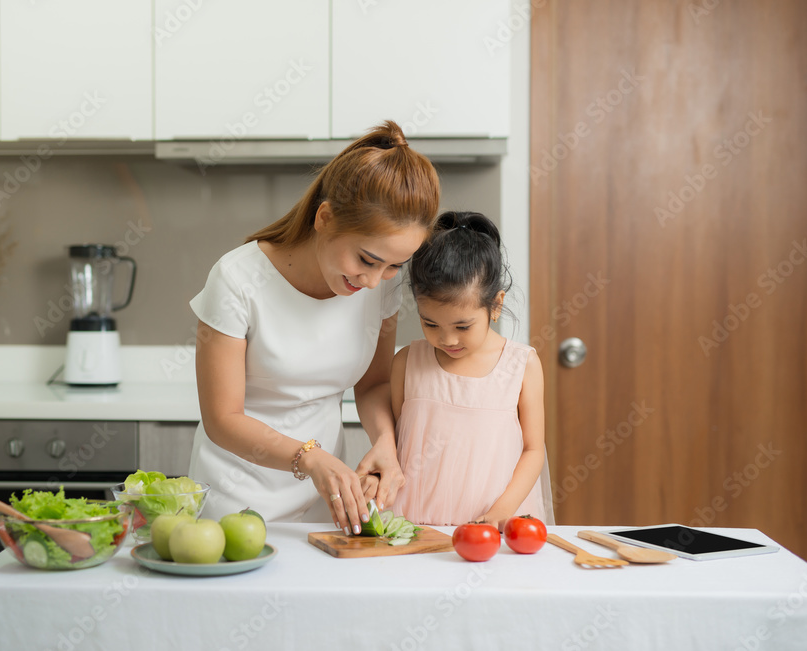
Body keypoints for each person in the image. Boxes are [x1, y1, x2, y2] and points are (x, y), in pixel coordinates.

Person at [188, 121, 442, 535]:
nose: (374, 281)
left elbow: (374, 383)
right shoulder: (237, 278)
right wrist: (309, 457)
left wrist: (385, 444)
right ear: (325, 218)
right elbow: (222, 418)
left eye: (395, 265)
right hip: (234, 501)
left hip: (327, 498)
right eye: (366, 259)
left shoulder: (379, 289)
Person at [391, 211, 554, 528]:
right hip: (414, 519)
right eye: (430, 323)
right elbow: (398, 445)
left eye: (463, 326)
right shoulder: (407, 362)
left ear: (495, 305)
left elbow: (533, 450)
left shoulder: (521, 365)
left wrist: (501, 512)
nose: (447, 338)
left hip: (494, 523)